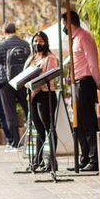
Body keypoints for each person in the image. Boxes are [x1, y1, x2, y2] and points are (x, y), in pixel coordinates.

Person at [62, 11, 100, 172]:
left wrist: (98, 81)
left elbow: (92, 62)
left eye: (64, 24)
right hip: (76, 83)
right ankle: (84, 157)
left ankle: (94, 159)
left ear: (70, 23)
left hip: (85, 83)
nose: (64, 28)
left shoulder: (84, 37)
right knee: (77, 123)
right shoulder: (74, 39)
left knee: (88, 123)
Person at [24, 31, 59, 170]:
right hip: (32, 96)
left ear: (46, 42)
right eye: (35, 41)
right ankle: (37, 161)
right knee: (38, 129)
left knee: (48, 128)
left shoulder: (50, 58)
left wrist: (32, 94)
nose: (37, 44)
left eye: (40, 41)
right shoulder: (32, 58)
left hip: (45, 95)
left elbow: (44, 78)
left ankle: (52, 161)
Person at [0, 22, 30, 152]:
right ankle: (32, 139)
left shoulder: (0, 45)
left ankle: (15, 143)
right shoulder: (25, 44)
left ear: (4, 31)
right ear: (15, 30)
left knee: (10, 113)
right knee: (28, 110)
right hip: (22, 80)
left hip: (6, 82)